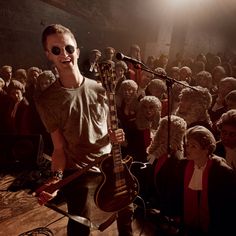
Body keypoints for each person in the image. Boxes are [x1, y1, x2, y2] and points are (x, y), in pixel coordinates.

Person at [35, 24, 133, 236]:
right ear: (48, 56)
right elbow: (59, 148)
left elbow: (111, 130)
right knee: (80, 227)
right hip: (78, 172)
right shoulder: (46, 101)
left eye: (69, 48)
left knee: (127, 214)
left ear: (77, 51)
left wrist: (116, 136)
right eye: (56, 50)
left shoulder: (101, 88)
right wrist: (56, 178)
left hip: (109, 164)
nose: (64, 54)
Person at [153, 125, 236, 236]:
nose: (187, 149)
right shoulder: (183, 165)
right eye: (187, 145)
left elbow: (226, 206)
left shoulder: (221, 171)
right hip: (188, 226)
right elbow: (175, 193)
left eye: (193, 146)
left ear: (206, 149)